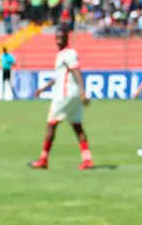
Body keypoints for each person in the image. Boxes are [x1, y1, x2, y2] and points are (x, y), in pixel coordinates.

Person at [29, 30, 94, 170]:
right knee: (77, 127)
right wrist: (43, 88)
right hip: (73, 95)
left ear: (66, 38)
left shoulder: (69, 53)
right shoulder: (62, 55)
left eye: (61, 37)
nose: (58, 40)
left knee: (51, 124)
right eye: (57, 37)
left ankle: (43, 159)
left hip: (65, 94)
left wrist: (83, 91)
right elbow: (58, 77)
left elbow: (76, 71)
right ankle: (87, 159)